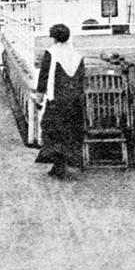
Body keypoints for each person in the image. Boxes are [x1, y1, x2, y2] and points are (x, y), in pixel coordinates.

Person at [33, 24, 85, 179]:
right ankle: (65, 163)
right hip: (73, 100)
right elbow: (81, 79)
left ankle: (58, 165)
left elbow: (44, 76)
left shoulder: (51, 53)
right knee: (69, 132)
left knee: (53, 131)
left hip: (56, 99)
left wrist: (39, 97)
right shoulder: (76, 55)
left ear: (54, 37)